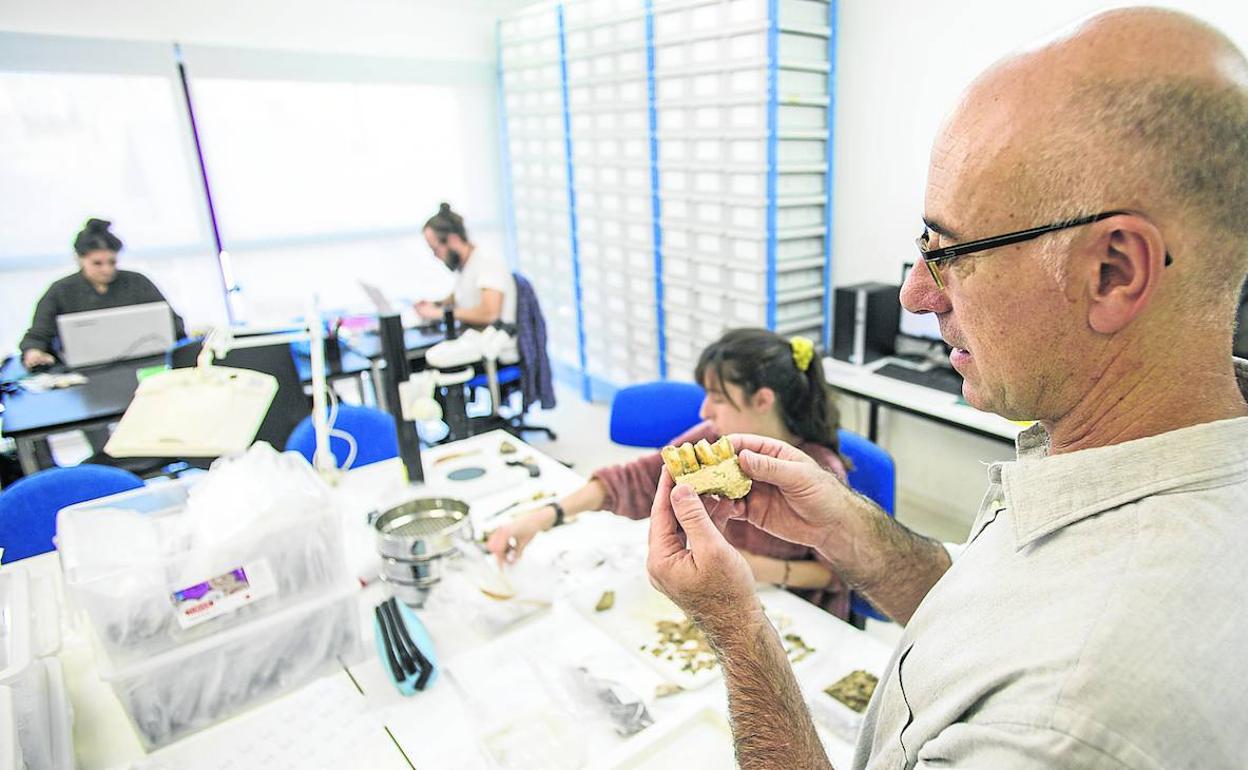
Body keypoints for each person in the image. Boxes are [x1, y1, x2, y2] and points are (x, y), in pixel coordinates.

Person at [646, 8, 1248, 769]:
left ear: (1113, 271)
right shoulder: (1120, 456)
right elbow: (990, 618)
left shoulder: (1078, 718)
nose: (915, 295)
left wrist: (737, 630)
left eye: (950, 251)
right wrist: (844, 528)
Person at [487, 328, 855, 619]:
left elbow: (840, 576)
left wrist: (757, 568)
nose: (704, 411)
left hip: (790, 613)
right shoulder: (715, 442)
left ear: (762, 400)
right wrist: (545, 516)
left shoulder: (818, 473)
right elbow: (637, 480)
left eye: (719, 398)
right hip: (722, 596)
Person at [19, 218, 186, 370]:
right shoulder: (60, 291)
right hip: (86, 372)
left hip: (144, 364)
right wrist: (34, 353)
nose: (107, 269)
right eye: (97, 263)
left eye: (112, 262)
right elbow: (38, 334)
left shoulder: (138, 282)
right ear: (79, 259)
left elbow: (172, 321)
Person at [416, 203, 516, 328]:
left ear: (453, 239)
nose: (436, 256)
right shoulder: (466, 264)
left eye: (435, 249)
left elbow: (490, 314)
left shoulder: (487, 260)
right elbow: (463, 295)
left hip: (494, 343)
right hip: (476, 338)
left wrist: (439, 313)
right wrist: (436, 304)